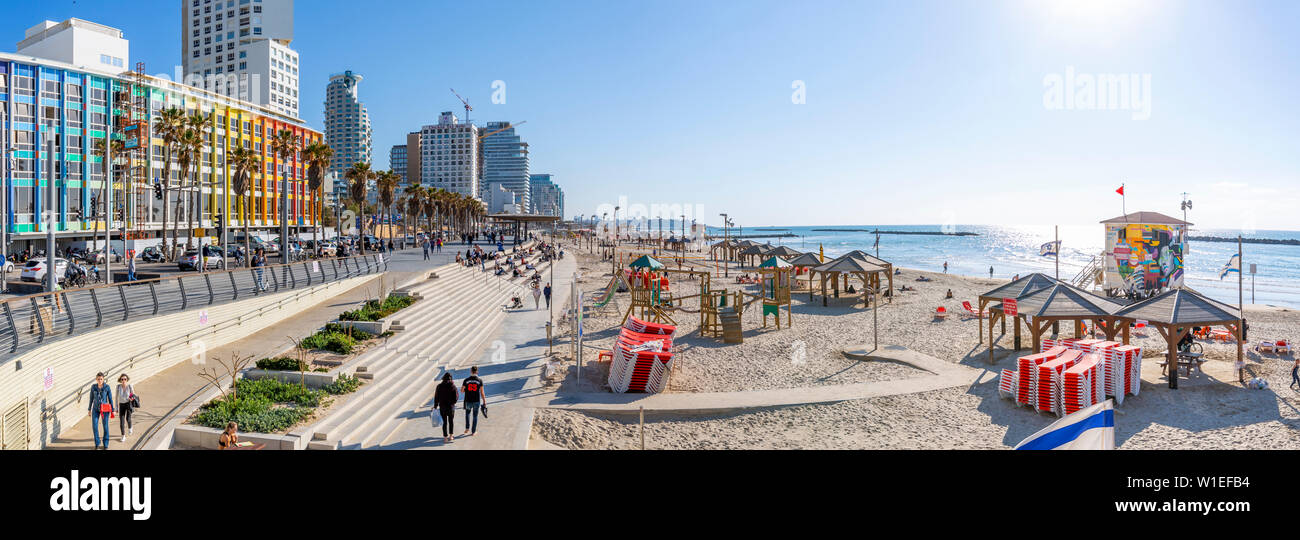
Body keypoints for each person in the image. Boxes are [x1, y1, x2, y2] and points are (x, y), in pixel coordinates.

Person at [87, 372, 114, 450]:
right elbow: (91, 399)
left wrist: (113, 410)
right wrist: (89, 409)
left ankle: (106, 444)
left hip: (105, 409)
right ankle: (97, 443)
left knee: (105, 426)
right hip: (95, 409)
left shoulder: (107, 387)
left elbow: (110, 399)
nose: (100, 380)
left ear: (103, 379)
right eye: (98, 379)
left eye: (101, 379)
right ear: (96, 379)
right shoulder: (93, 387)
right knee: (95, 426)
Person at [433, 372, 459, 443]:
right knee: (451, 421)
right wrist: (453, 403)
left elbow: (436, 397)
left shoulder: (439, 386)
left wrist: (435, 406)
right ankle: (451, 436)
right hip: (451, 407)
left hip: (442, 407)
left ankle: (445, 437)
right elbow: (456, 397)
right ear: (450, 379)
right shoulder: (453, 386)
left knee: (444, 422)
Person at [462, 367, 486, 437]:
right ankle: (473, 431)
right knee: (475, 416)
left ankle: (467, 428)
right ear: (477, 371)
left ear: (471, 371)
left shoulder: (466, 380)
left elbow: (462, 390)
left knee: (467, 414)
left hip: (468, 400)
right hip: (476, 401)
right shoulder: (480, 380)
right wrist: (484, 401)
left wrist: (466, 389)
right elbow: (482, 392)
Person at [116, 374, 136, 443]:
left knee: (128, 418)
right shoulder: (118, 387)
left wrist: (132, 398)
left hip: (128, 404)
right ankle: (123, 436)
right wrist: (116, 408)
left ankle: (130, 427)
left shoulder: (130, 386)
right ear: (120, 380)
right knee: (122, 422)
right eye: (122, 379)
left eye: (125, 379)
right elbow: (116, 398)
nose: (123, 380)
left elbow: (133, 395)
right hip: (121, 405)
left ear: (127, 380)